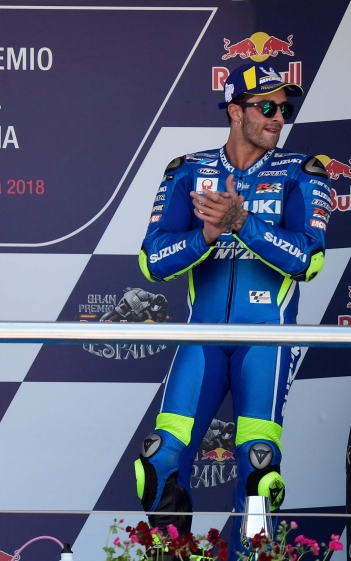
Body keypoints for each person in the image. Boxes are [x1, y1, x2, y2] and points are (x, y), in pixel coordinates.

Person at [134, 61, 330, 559]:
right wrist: (206, 235)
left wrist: (244, 223)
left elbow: (309, 260)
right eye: (266, 107)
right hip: (201, 340)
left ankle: (253, 557)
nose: (277, 117)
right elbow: (152, 262)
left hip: (266, 341)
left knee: (259, 472)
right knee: (157, 462)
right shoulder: (186, 170)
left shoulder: (302, 172)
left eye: (284, 108)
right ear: (235, 110)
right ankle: (180, 555)